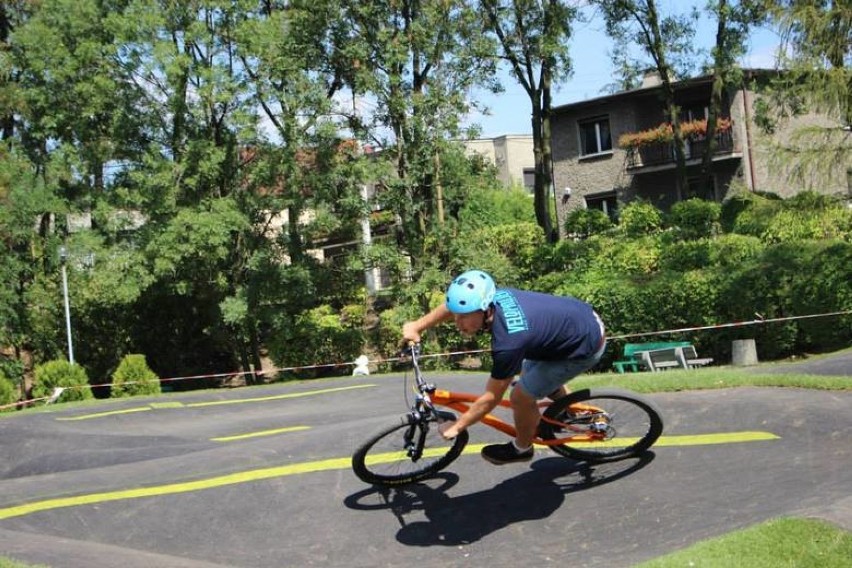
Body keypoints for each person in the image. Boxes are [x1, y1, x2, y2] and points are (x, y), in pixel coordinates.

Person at [401, 269, 606, 465]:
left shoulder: (508, 343)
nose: (457, 322)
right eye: (457, 315)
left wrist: (458, 426)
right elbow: (453, 306)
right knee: (530, 376)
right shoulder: (491, 297)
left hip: (584, 345)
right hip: (576, 324)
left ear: (483, 309)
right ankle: (567, 410)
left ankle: (522, 448)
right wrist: (417, 326)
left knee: (520, 397)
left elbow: (491, 398)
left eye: (464, 316)